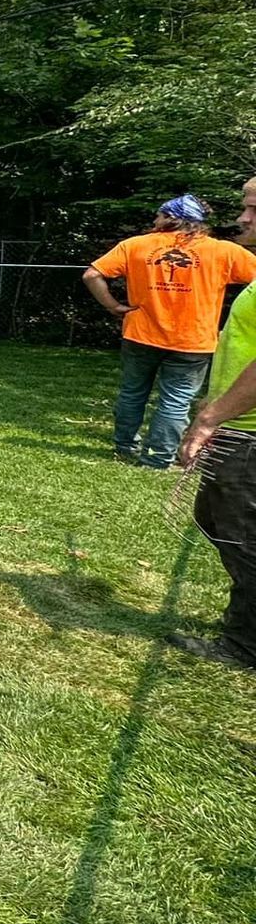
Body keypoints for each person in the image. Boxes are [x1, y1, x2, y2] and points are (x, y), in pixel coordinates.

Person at [84, 194, 256, 468]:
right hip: (193, 341)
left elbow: (92, 274)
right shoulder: (224, 251)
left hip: (140, 335)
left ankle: (125, 446)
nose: (155, 220)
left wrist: (113, 306)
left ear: (171, 218)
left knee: (132, 392)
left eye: (159, 214)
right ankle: (158, 458)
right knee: (176, 399)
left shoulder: (135, 245)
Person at [175, 178, 256, 669]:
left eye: (254, 209)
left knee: (241, 534)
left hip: (246, 433)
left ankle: (246, 644)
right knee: (219, 521)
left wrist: (209, 419)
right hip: (238, 425)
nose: (243, 218)